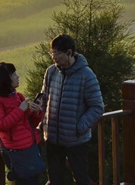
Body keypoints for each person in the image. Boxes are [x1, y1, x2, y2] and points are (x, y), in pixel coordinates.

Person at [40, 34, 104, 185]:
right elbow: (44, 98)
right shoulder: (51, 72)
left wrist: (80, 126)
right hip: (52, 139)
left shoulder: (86, 75)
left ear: (69, 53)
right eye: (52, 53)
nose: (53, 57)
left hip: (76, 141)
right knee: (55, 179)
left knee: (81, 179)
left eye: (56, 53)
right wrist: (42, 121)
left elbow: (97, 107)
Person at [0, 62, 44, 185]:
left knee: (34, 181)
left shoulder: (18, 96)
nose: (17, 77)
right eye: (14, 75)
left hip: (31, 147)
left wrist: (37, 112)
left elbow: (30, 123)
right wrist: (20, 110)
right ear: (5, 79)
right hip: (16, 151)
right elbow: (1, 124)